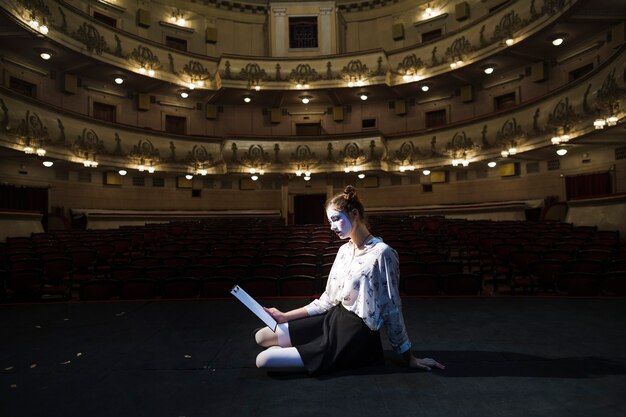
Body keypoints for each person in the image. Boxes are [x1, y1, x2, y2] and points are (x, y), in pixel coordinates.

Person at [254, 185, 444, 375]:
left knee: (263, 359)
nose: (332, 227)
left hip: (355, 334)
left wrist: (409, 357)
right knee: (261, 337)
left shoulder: (382, 253)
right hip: (333, 318)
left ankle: (303, 353)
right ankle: (297, 351)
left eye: (336, 219)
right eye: (329, 221)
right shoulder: (343, 250)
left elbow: (392, 308)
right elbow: (327, 300)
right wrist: (285, 316)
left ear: (354, 214)